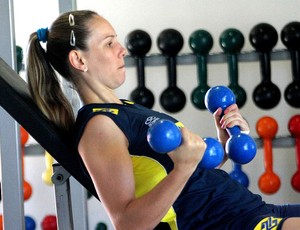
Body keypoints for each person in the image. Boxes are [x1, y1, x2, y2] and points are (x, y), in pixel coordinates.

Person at [26, 10, 300, 230]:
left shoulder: (123, 109)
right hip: (228, 221)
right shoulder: (99, 129)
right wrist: (183, 167)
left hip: (251, 208)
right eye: (109, 43)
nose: (122, 50)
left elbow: (183, 172)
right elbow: (127, 224)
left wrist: (221, 144)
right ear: (78, 59)